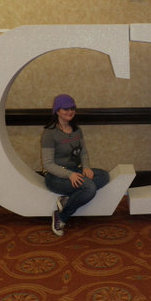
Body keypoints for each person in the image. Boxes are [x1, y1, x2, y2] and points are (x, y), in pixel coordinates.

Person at [41, 94, 110, 236]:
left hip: (74, 170)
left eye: (72, 108)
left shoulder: (77, 130)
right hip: (56, 177)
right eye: (66, 109)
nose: (70, 111)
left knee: (104, 176)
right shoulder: (49, 133)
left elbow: (83, 152)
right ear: (57, 111)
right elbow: (48, 164)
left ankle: (67, 200)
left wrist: (86, 167)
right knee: (89, 188)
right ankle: (61, 216)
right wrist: (69, 175)